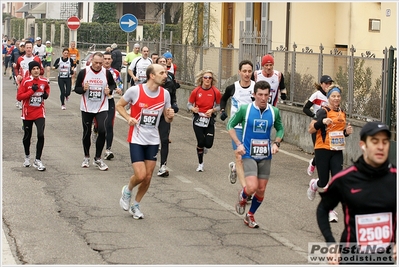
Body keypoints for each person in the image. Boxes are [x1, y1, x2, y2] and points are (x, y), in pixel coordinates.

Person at [316, 121, 396, 265]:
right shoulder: (344, 179)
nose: (380, 147)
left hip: (388, 258)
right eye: (375, 141)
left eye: (385, 142)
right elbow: (323, 209)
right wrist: (331, 243)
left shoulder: (395, 178)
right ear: (363, 145)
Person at [116, 64, 175, 219]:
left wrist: (170, 115)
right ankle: (127, 190)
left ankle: (136, 205)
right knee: (140, 175)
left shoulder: (165, 94)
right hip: (136, 138)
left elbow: (167, 119)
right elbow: (119, 105)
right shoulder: (136, 90)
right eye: (161, 72)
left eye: (165, 72)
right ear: (152, 76)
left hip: (153, 139)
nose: (165, 74)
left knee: (148, 177)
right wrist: (128, 118)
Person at [227, 80, 284, 229]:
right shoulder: (245, 109)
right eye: (260, 95)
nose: (263, 98)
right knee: (252, 187)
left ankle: (250, 214)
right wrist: (238, 144)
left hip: (265, 155)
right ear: (254, 95)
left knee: (262, 189)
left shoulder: (274, 111)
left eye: (266, 95)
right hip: (248, 153)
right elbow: (230, 125)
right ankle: (243, 195)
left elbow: (280, 129)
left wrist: (276, 143)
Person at [307, 84, 353, 223]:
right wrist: (322, 121)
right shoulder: (323, 111)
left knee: (337, 180)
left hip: (337, 150)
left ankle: (331, 210)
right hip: (322, 149)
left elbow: (338, 132)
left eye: (338, 96)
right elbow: (311, 129)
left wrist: (346, 132)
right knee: (324, 181)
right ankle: (314, 184)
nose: (336, 98)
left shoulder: (342, 113)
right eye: (333, 96)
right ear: (328, 98)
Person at [74, 52, 116, 171]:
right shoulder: (84, 72)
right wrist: (83, 89)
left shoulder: (106, 73)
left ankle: (98, 158)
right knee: (86, 132)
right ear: (91, 61)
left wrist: (110, 90)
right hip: (87, 107)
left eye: (100, 63)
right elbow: (76, 88)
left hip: (101, 106)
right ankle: (86, 156)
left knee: (102, 130)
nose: (98, 65)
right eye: (96, 62)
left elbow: (113, 85)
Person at [220, 59, 255, 188]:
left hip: (251, 127)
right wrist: (222, 110)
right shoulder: (233, 87)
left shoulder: (255, 87)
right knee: (240, 156)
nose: (247, 74)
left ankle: (234, 168)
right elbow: (223, 99)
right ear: (239, 72)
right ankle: (245, 190)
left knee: (249, 158)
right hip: (237, 127)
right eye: (244, 71)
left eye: (249, 71)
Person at [16, 61, 50, 171]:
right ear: (30, 70)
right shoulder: (26, 81)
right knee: (27, 136)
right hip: (27, 113)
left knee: (41, 134)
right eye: (34, 69)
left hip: (39, 112)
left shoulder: (44, 81)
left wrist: (46, 95)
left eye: (38, 68)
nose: (36, 70)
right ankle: (27, 156)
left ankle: (38, 160)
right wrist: (31, 91)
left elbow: (47, 89)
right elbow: (19, 97)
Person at [187, 69, 221, 172]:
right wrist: (193, 109)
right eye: (205, 77)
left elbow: (220, 106)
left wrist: (213, 110)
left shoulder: (215, 92)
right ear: (202, 79)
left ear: (212, 80)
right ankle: (200, 164)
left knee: (209, 144)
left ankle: (205, 146)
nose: (207, 79)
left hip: (209, 119)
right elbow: (188, 104)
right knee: (200, 141)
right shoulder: (196, 91)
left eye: (209, 78)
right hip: (198, 119)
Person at [92, 51, 123, 160]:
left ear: (112, 60)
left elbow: (119, 84)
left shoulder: (115, 72)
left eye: (109, 59)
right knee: (100, 125)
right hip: (97, 101)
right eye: (105, 58)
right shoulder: (96, 72)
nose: (107, 61)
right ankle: (95, 129)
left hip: (109, 100)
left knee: (109, 125)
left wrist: (119, 89)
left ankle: (108, 150)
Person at [303, 75, 333, 176]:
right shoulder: (316, 95)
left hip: (329, 128)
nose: (328, 86)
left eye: (330, 84)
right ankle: (314, 164)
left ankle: (315, 163)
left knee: (326, 152)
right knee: (319, 151)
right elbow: (305, 108)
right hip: (317, 126)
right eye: (326, 84)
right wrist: (314, 115)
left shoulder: (333, 95)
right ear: (321, 84)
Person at [155, 56, 179, 177]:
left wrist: (174, 106)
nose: (164, 66)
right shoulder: (147, 83)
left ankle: (163, 166)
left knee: (164, 139)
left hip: (164, 114)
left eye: (165, 65)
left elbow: (173, 97)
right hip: (150, 115)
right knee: (151, 141)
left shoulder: (170, 82)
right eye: (161, 64)